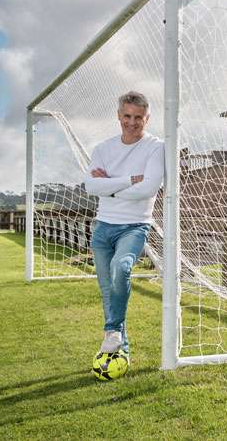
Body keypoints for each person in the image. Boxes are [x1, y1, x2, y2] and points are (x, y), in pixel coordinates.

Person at [83, 91, 164, 358]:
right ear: (119, 115)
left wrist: (111, 185)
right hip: (103, 226)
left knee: (121, 268)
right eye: (127, 116)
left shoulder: (156, 147)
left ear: (147, 118)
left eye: (138, 117)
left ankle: (113, 331)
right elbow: (92, 186)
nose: (132, 122)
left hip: (134, 225)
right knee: (109, 291)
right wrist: (130, 179)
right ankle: (120, 348)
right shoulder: (103, 149)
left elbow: (149, 188)